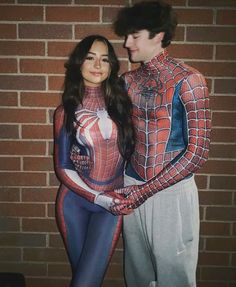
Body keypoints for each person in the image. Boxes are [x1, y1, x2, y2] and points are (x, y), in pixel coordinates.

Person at [110, 1, 211, 287]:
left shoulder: (190, 80)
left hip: (172, 193)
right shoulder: (127, 80)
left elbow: (198, 153)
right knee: (137, 275)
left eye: (134, 35)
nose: (127, 43)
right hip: (132, 183)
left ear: (157, 34)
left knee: (174, 276)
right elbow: (113, 131)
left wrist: (144, 191)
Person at [53, 34, 135, 287]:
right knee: (86, 280)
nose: (98, 66)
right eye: (90, 58)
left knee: (85, 281)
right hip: (74, 204)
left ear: (111, 66)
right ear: (79, 63)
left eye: (105, 59)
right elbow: (63, 167)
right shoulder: (65, 111)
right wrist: (100, 198)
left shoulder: (123, 105)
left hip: (111, 208)